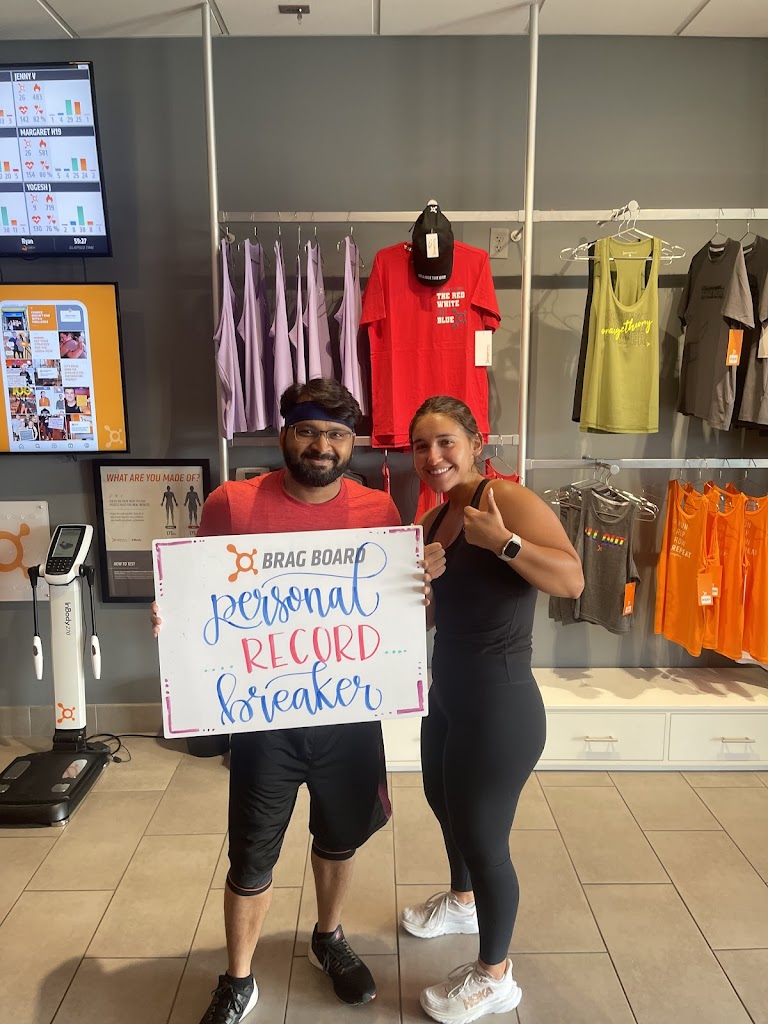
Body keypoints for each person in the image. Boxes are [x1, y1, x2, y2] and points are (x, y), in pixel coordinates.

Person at [150, 378, 438, 1024]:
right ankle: (238, 977)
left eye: (336, 435)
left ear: (352, 444)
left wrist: (418, 604)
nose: (321, 446)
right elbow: (197, 596)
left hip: (348, 713)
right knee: (251, 853)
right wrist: (171, 616)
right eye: (307, 430)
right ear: (284, 434)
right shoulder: (232, 503)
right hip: (264, 721)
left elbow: (395, 615)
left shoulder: (379, 513)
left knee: (339, 838)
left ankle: (328, 938)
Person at [401, 395, 584, 1024]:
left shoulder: (508, 500)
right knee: (442, 799)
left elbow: (571, 580)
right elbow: (434, 617)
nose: (433, 456)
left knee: (483, 836)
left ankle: (495, 976)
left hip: (501, 703)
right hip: (448, 692)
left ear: (475, 444)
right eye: (421, 445)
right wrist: (421, 586)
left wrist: (504, 542)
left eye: (445, 441)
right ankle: (462, 900)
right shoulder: (433, 519)